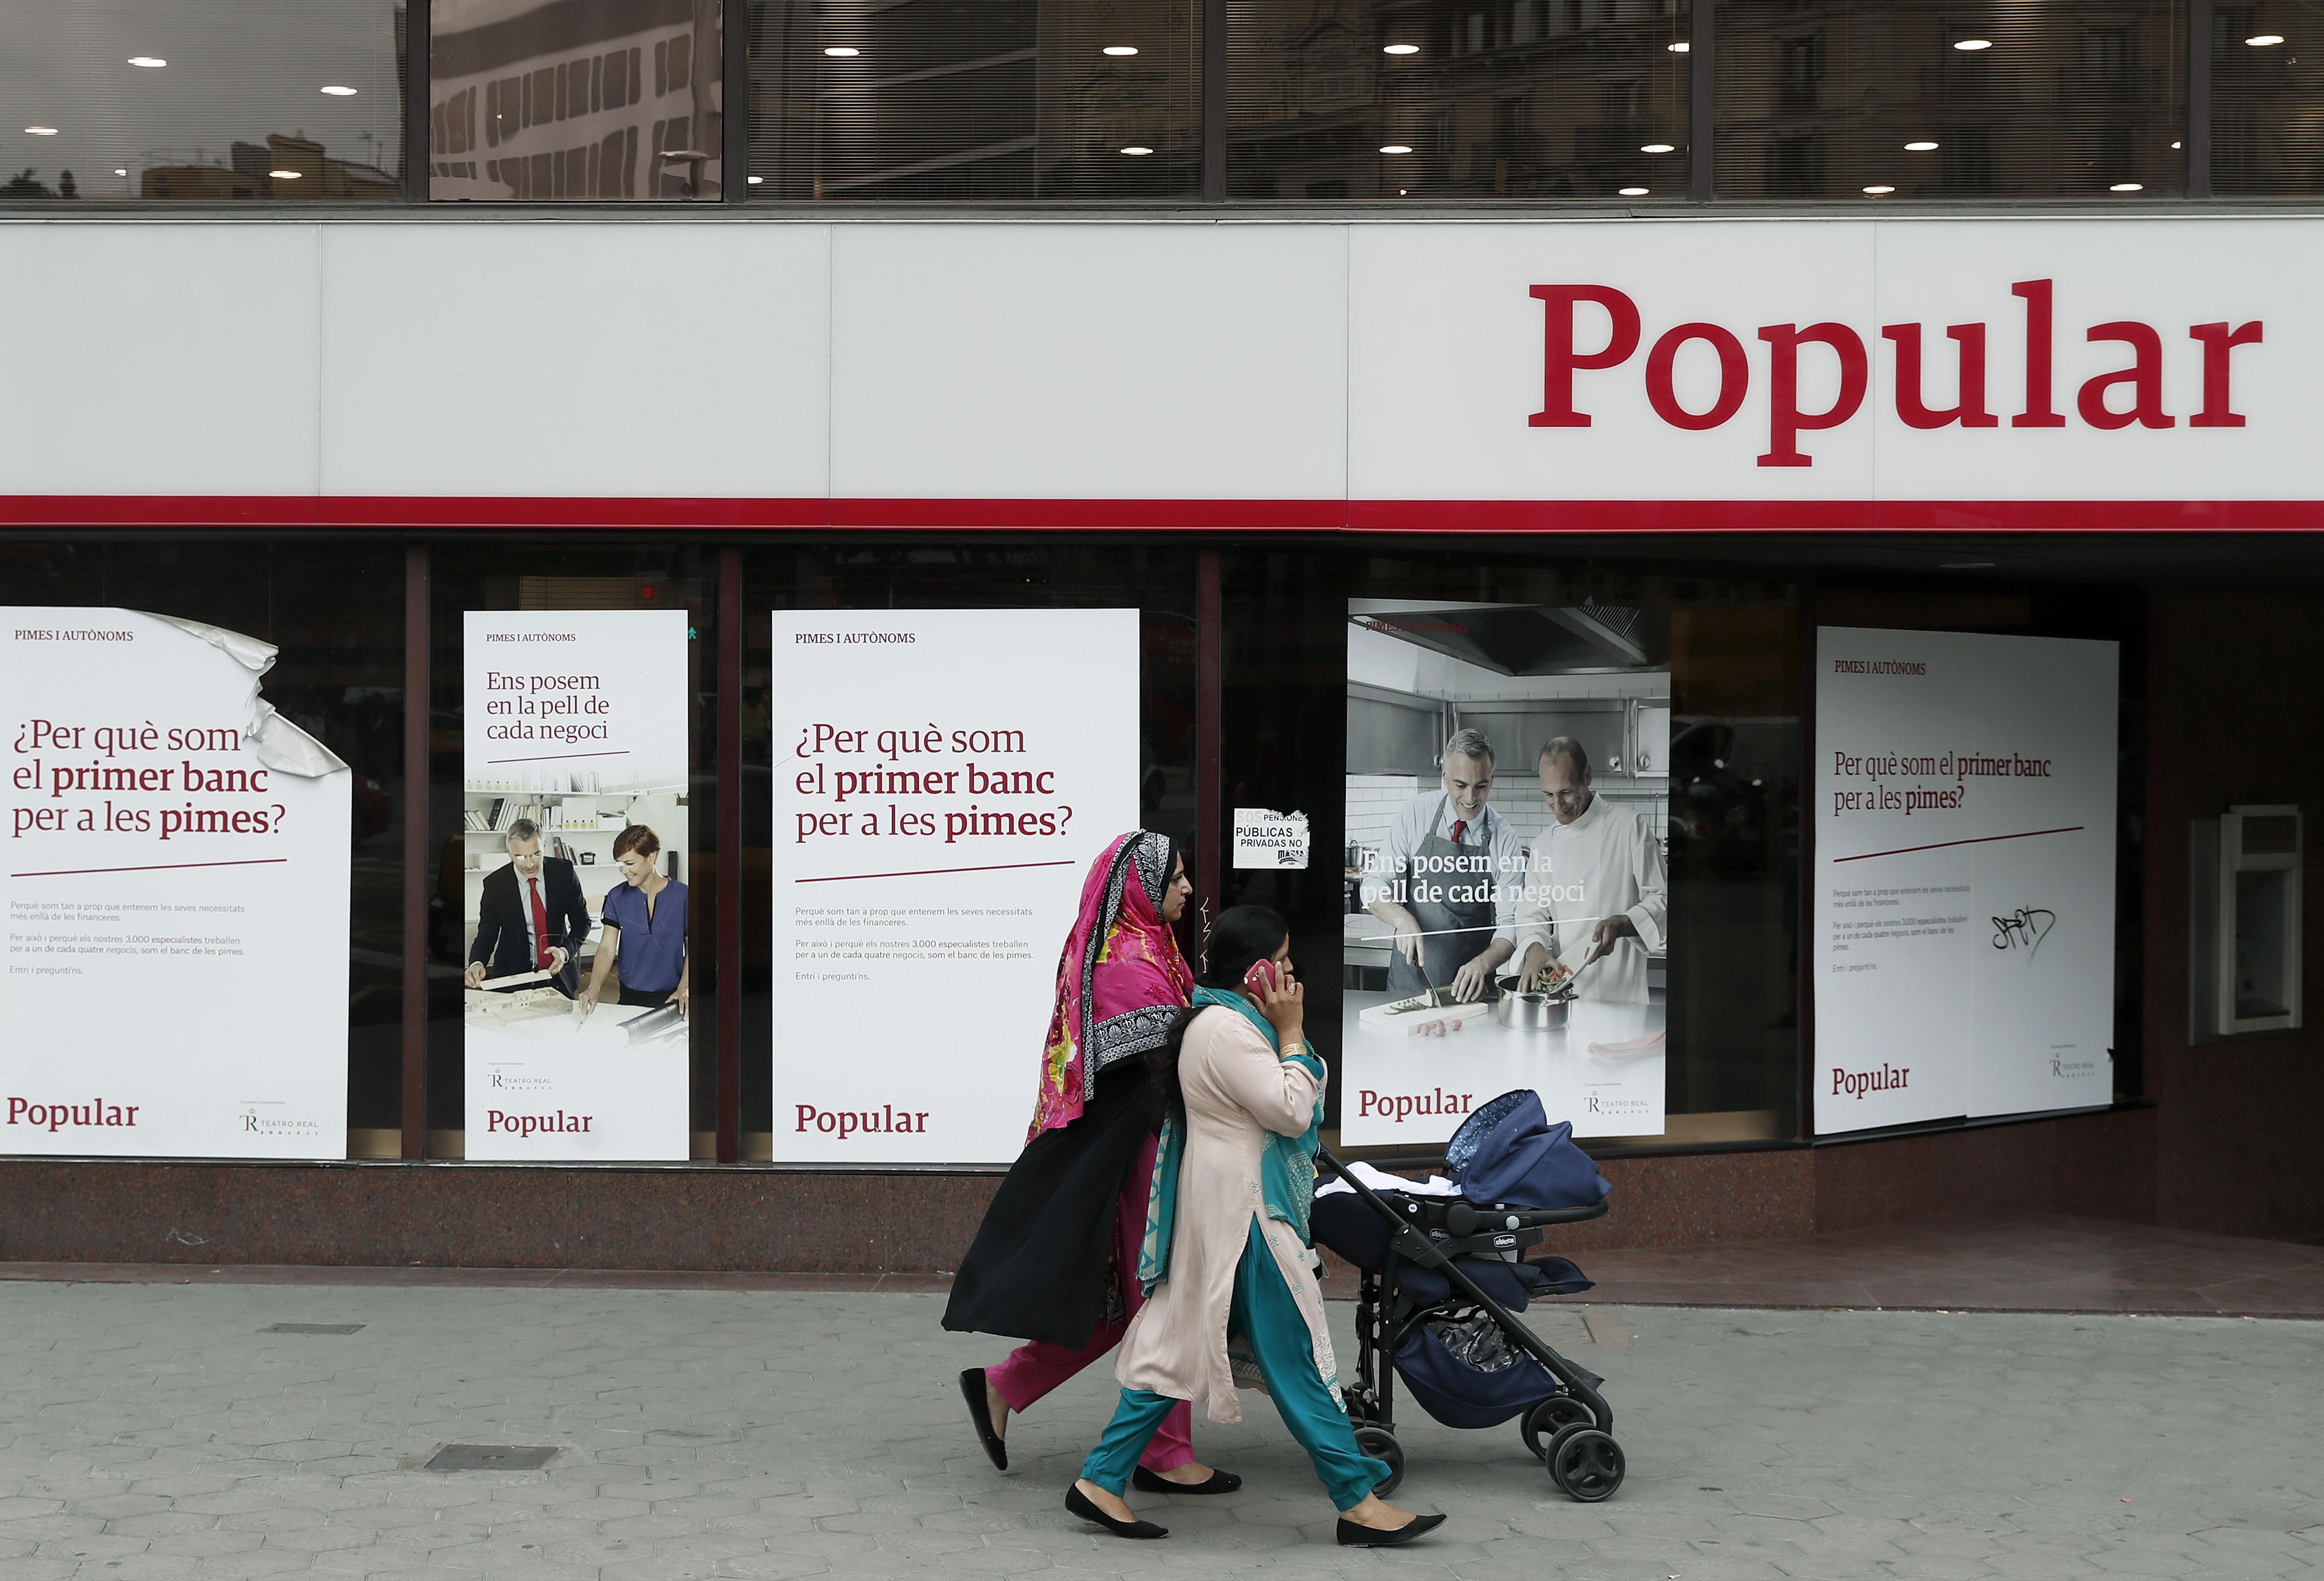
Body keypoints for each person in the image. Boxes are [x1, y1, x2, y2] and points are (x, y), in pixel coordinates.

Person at [1067, 906, 1445, 1548]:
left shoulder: (1221, 1019)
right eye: (1287, 958)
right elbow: (1292, 1113)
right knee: (1295, 1359)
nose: (1295, 972)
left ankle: (1101, 1480)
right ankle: (1356, 1500)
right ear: (1259, 969)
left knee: (1180, 1345)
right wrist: (1294, 1034)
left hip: (1223, 1212)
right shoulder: (1229, 1032)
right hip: (1247, 1218)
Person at [943, 832, 1232, 1494]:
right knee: (1159, 1294)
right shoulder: (1125, 964)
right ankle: (1161, 1449)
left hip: (1149, 1151)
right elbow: (1171, 1057)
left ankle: (1009, 1386)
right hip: (1136, 1158)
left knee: (1134, 1299)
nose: (1188, 889)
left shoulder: (1152, 948)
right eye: (1177, 878)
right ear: (1141, 886)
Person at [1361, 727, 1526, 1003]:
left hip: (1470, 991)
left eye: (1481, 786)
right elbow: (1374, 884)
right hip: (1409, 985)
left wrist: (1483, 964)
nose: (1471, 798)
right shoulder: (1416, 814)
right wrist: (1401, 918)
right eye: (1461, 785)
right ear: (1445, 776)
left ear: (1492, 779)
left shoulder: (1504, 838)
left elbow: (1511, 925)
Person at [1512, 736, 1668, 1004]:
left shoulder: (1629, 828)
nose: (1558, 806)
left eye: (1566, 792)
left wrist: (1623, 924)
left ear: (1587, 776)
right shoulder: (1543, 845)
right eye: (1549, 795)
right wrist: (1534, 948)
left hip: (1622, 997)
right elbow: (1531, 915)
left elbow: (1662, 899)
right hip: (1565, 1001)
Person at [465, 819, 591, 997]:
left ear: (544, 846)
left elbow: (582, 923)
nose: (530, 864)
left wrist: (564, 952)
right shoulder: (495, 885)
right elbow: (486, 935)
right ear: (509, 853)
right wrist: (476, 963)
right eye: (521, 857)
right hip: (512, 978)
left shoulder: (564, 873)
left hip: (558, 975)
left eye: (536, 854)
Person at [576, 824, 690, 1016]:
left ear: (651, 857)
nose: (624, 871)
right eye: (620, 864)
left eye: (629, 864)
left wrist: (684, 989)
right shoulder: (616, 897)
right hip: (629, 997)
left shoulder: (684, 896)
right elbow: (606, 949)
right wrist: (594, 987)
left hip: (673, 998)